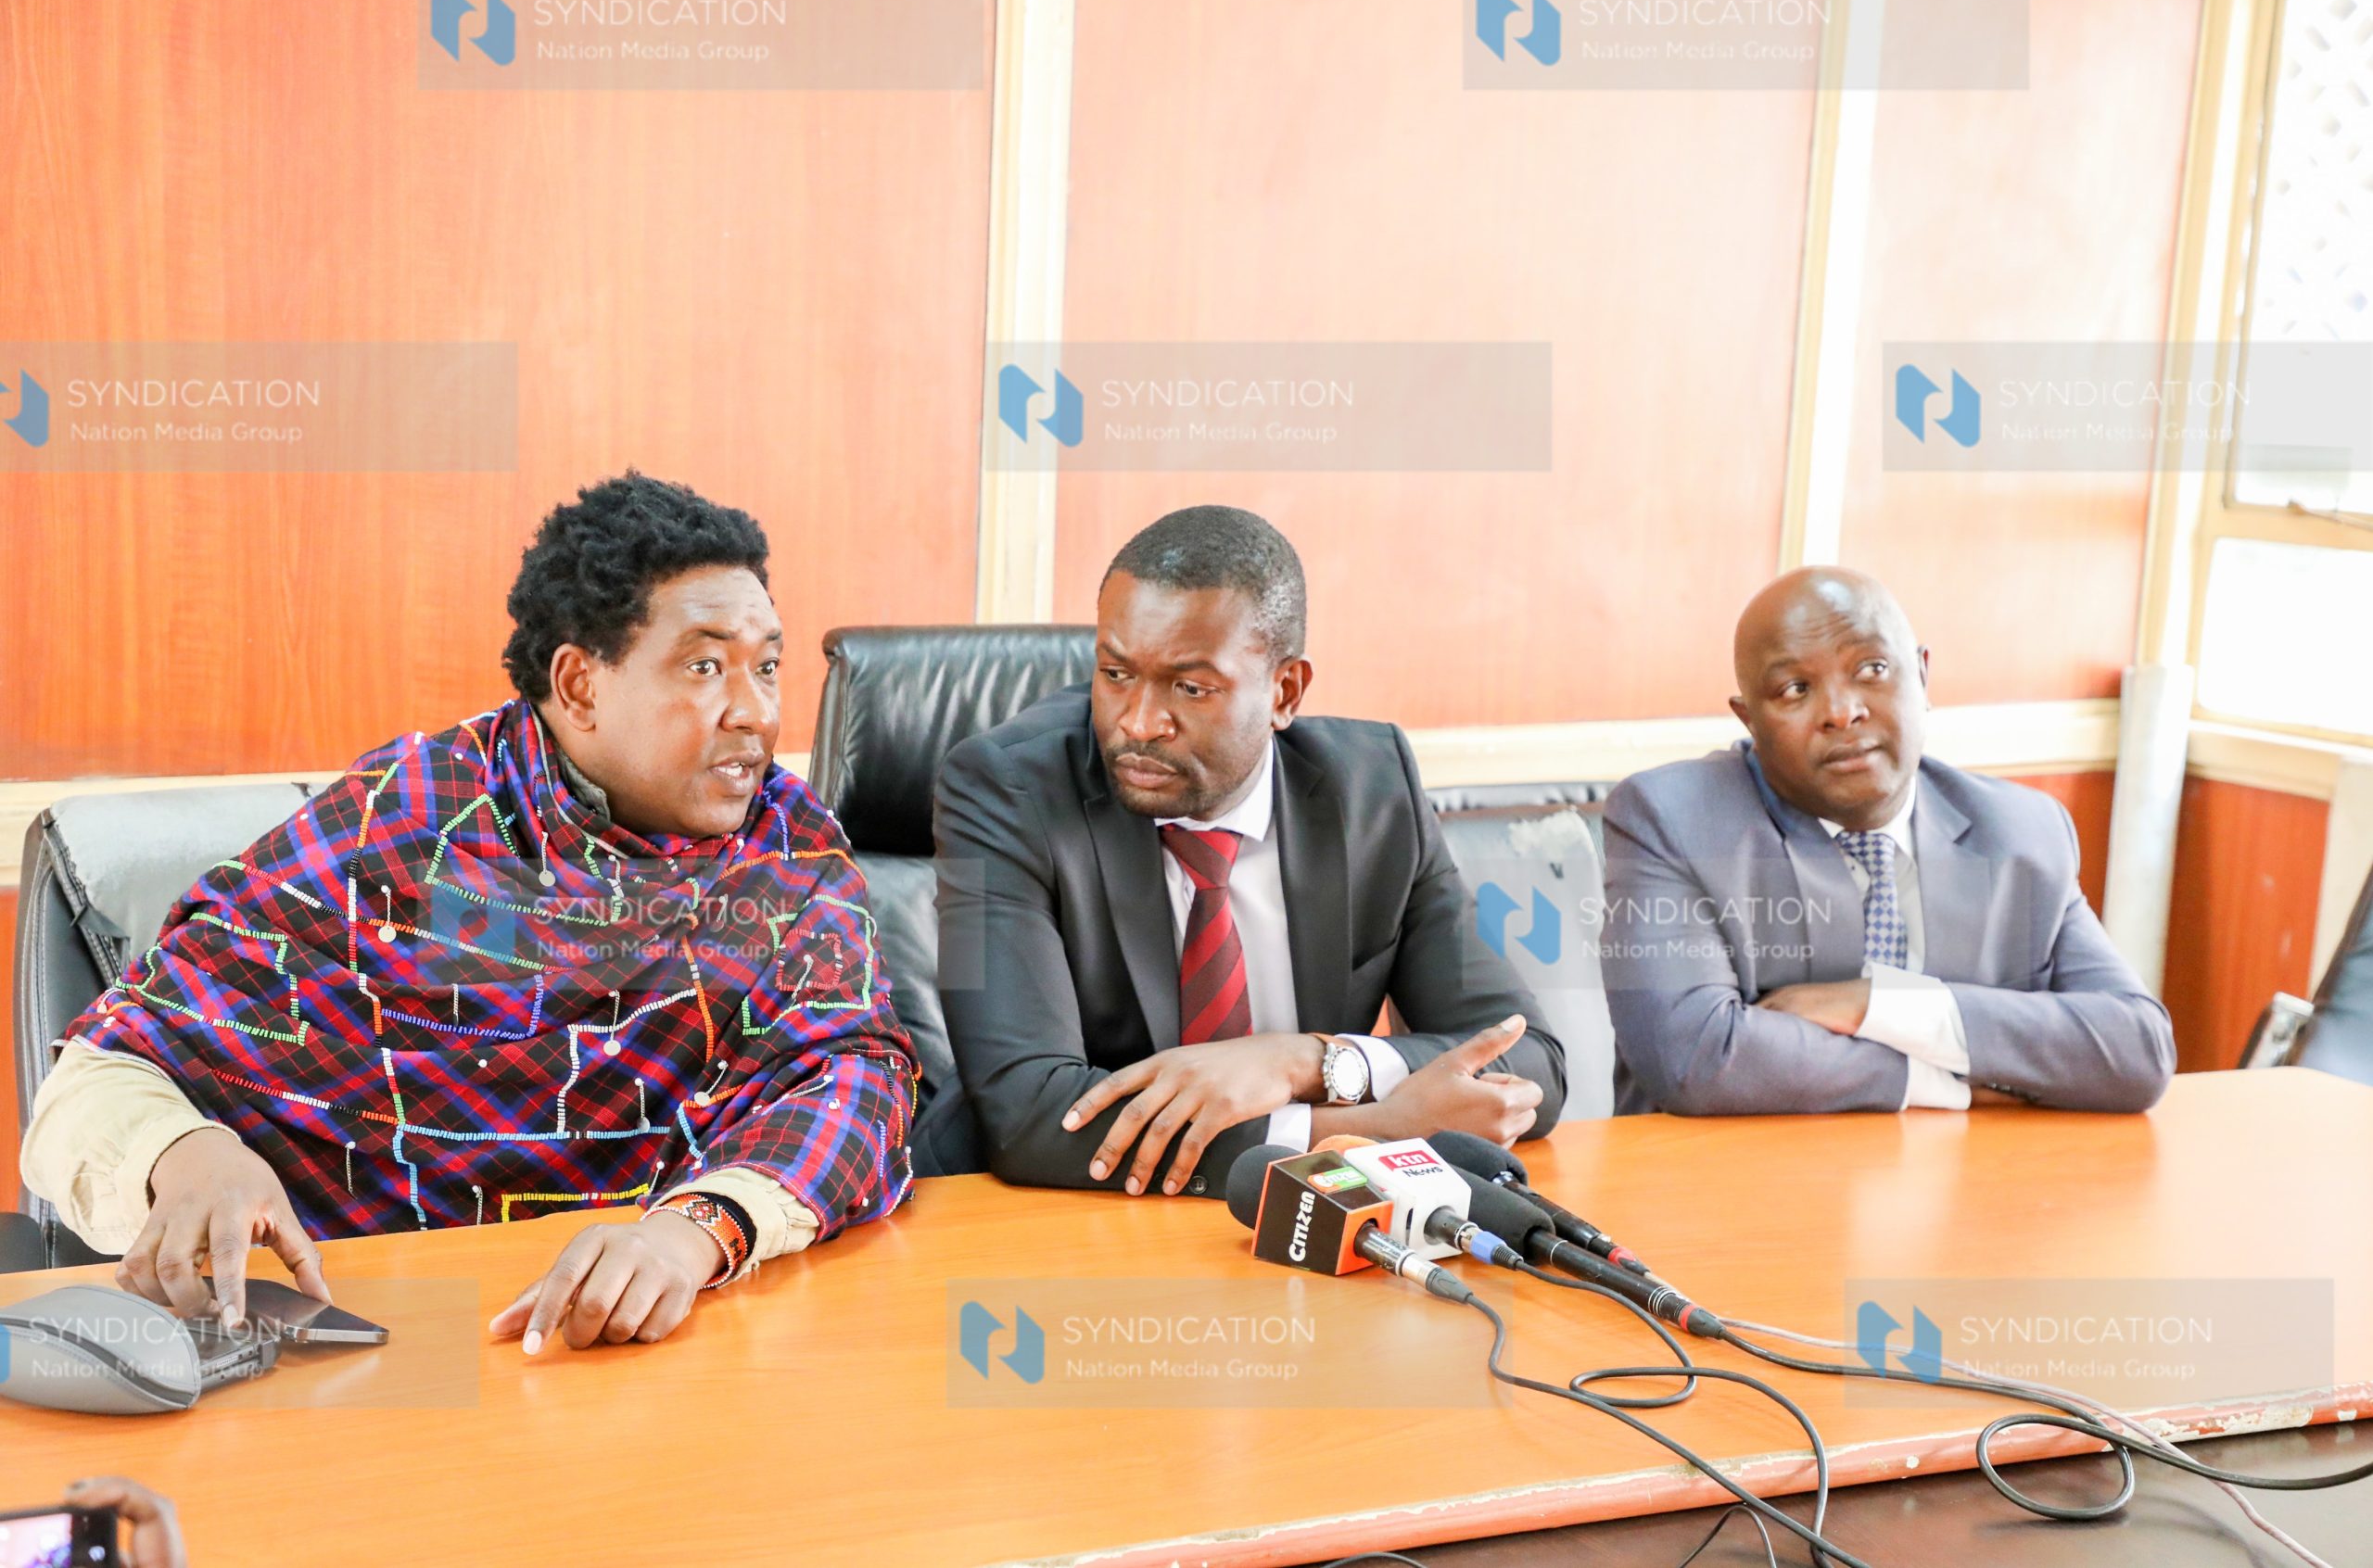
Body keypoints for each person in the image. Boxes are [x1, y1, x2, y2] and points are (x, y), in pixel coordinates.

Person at [21, 474, 917, 1351]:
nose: (756, 712)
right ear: (580, 685)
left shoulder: (786, 854)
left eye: (768, 666)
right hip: (369, 1346)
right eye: (706, 666)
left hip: (652, 1344)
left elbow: (858, 1080)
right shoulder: (409, 824)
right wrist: (181, 1153)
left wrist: (694, 1230)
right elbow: (94, 1078)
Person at [935, 505, 1565, 1197]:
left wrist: (1302, 1062)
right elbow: (1025, 1114)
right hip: (1039, 1219)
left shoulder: (1374, 791)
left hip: (1293, 1230)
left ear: (1284, 692)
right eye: (1115, 673)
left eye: (1191, 687)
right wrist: (1368, 1128)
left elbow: (1528, 1059)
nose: (1138, 722)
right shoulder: (996, 791)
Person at [1601, 565, 2174, 1116]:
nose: (1842, 712)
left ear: (1922, 676)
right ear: (1750, 720)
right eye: (1795, 689)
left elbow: (2137, 1051)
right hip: (1736, 1177)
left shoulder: (2021, 832)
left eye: (1872, 669)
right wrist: (1946, 1084)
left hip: (1971, 1175)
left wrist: (1882, 1005)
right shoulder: (1674, 820)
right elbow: (1697, 1060)